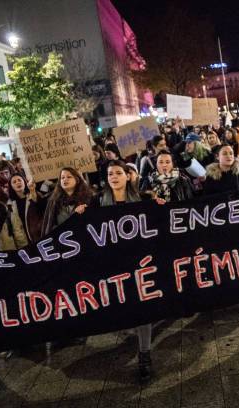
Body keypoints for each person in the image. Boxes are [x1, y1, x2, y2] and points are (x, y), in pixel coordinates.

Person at [90, 160, 153, 383]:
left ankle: (144, 355)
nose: (114, 177)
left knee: (143, 309)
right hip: (114, 265)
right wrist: (79, 215)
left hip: (141, 264)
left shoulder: (144, 199)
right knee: (126, 308)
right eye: (110, 174)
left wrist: (161, 206)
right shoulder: (97, 202)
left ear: (128, 176)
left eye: (118, 173)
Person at [41, 167, 93, 236]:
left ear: (77, 180)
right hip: (64, 240)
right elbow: (50, 227)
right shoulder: (53, 201)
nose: (65, 179)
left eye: (69, 177)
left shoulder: (88, 198)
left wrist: (86, 212)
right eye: (62, 178)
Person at [7, 173, 45, 243]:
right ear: (11, 186)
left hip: (38, 236)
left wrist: (33, 191)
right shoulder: (10, 204)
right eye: (14, 182)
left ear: (24, 182)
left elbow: (42, 207)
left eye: (19, 180)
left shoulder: (34, 195)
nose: (17, 182)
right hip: (23, 240)